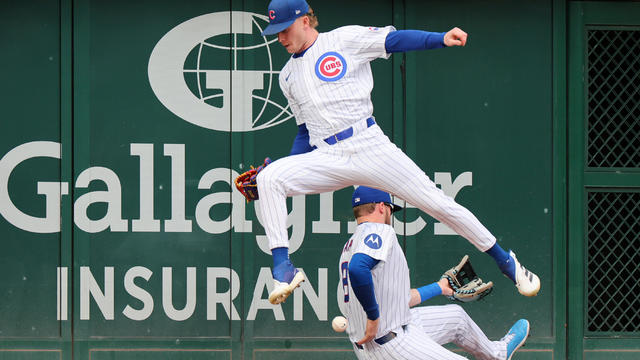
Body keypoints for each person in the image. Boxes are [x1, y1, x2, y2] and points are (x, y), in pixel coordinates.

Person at [256, 0, 540, 305]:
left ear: (304, 21)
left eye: (284, 29)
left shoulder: (342, 40)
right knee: (269, 178)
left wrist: (440, 38)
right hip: (327, 154)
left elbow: (393, 40)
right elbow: (304, 133)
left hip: (367, 143)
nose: (280, 38)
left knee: (438, 204)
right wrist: (288, 164)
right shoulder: (286, 76)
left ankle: (506, 261)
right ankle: (283, 268)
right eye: (275, 32)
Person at [338, 186, 530, 360]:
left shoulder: (351, 246)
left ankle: (498, 354)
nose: (390, 214)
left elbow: (398, 300)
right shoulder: (378, 230)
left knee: (457, 318)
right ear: (381, 207)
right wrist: (373, 317)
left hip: (389, 335)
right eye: (390, 209)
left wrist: (440, 287)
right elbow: (358, 269)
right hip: (390, 344)